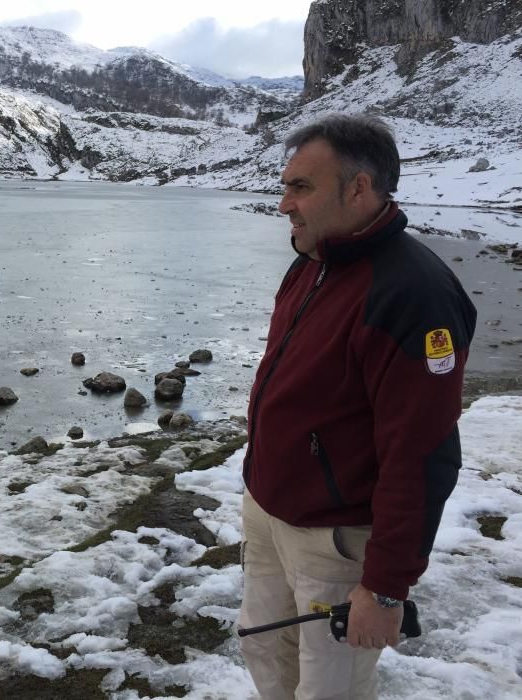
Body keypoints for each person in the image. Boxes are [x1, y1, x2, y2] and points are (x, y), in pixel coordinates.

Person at [238, 113, 477, 699]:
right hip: (270, 510)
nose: (283, 204)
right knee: (264, 648)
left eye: (300, 187)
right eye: (285, 184)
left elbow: (422, 454)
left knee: (331, 689)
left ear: (359, 189)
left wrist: (387, 588)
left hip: (336, 538)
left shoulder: (413, 294)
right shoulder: (312, 260)